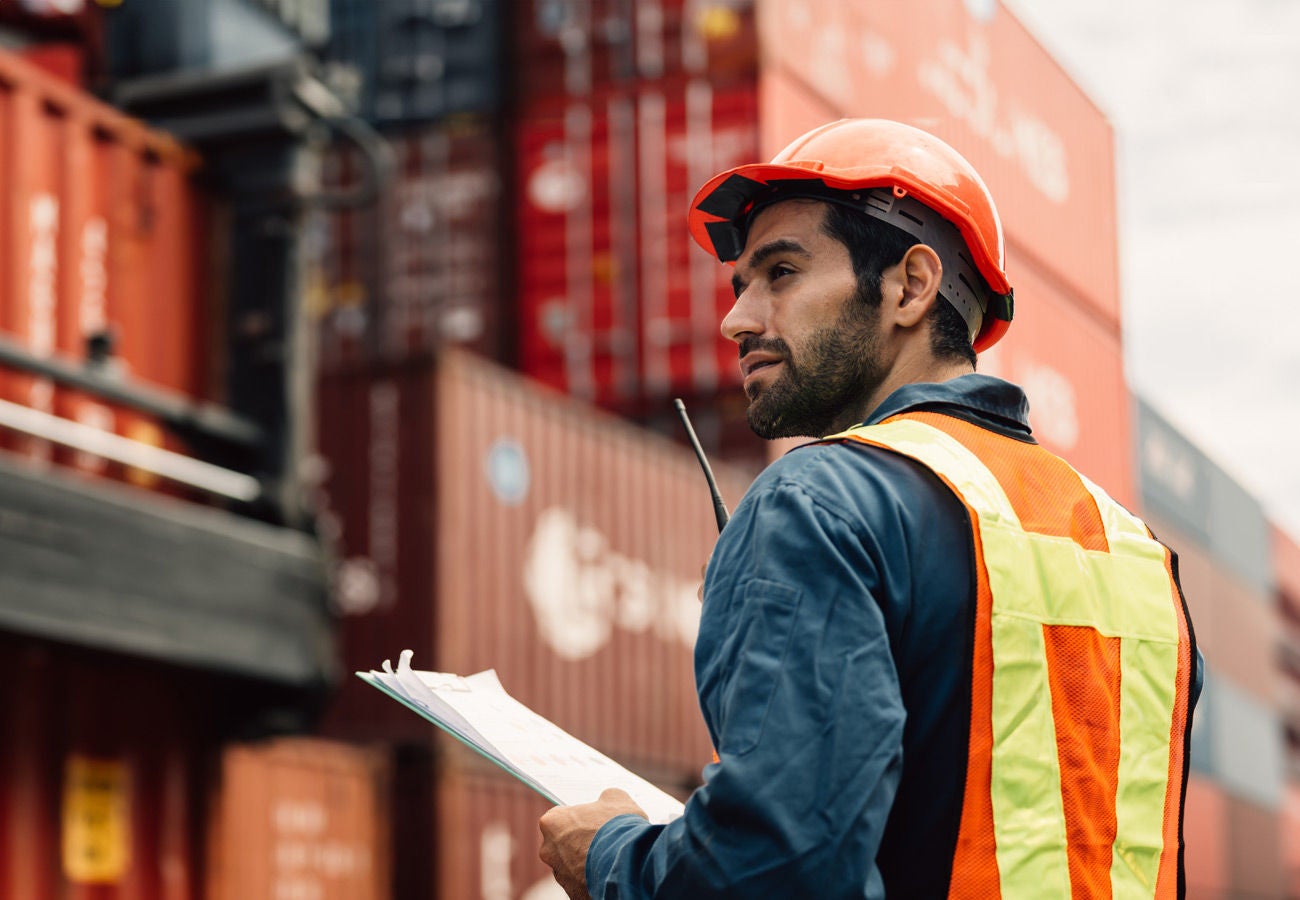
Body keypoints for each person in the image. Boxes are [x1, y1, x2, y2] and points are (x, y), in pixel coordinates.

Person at [538, 118, 1198, 899]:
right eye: (740, 286)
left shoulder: (820, 503)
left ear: (910, 287)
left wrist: (612, 859)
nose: (737, 320)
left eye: (779, 273)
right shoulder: (1137, 554)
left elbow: (776, 871)